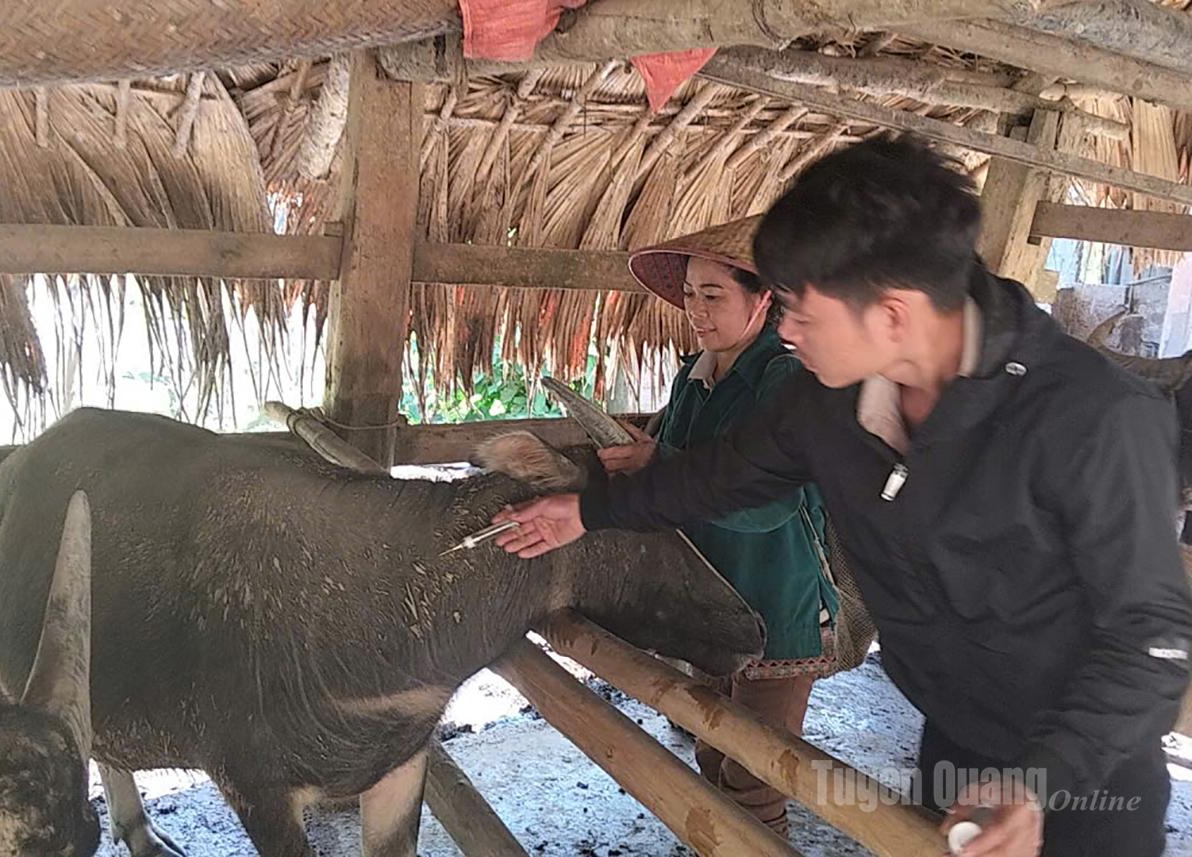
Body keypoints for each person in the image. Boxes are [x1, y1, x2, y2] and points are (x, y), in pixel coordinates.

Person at [495, 134, 1192, 857]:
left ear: (892, 315)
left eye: (801, 311)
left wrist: (1041, 783)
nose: (786, 331)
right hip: (955, 741)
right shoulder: (828, 403)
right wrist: (587, 510)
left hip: (1088, 778)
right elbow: (716, 476)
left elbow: (1153, 640)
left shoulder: (1095, 418)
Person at [601, 222, 840, 835]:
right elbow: (677, 474)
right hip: (708, 600)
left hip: (775, 606)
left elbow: (768, 503)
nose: (695, 311)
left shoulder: (782, 380)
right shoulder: (694, 375)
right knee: (710, 747)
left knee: (755, 777)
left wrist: (659, 465)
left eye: (714, 295)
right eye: (689, 293)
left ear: (763, 299)